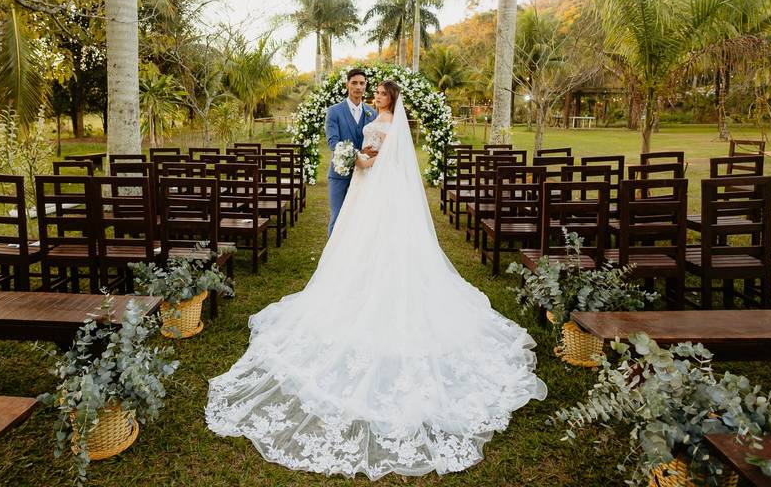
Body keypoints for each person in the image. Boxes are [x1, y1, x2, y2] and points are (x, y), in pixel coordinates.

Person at [206, 80, 547, 480]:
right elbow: (362, 148)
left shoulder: (387, 122)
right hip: (363, 189)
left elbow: (387, 159)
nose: (375, 98)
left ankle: (381, 292)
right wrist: (358, 160)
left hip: (376, 187)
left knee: (382, 245)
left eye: (381, 94)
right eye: (373, 93)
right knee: (353, 242)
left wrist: (365, 162)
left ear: (392, 98)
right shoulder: (368, 116)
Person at [324, 68, 377, 235]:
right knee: (338, 216)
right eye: (354, 83)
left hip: (364, 174)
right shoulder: (334, 111)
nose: (358, 87)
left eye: (362, 83)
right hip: (339, 174)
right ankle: (333, 259)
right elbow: (333, 143)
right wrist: (359, 153)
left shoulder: (372, 113)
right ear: (347, 84)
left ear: (366, 85)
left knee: (361, 218)